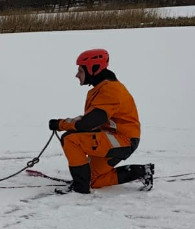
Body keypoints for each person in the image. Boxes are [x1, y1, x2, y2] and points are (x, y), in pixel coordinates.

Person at [48, 49, 154, 194]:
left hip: (122, 140)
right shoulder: (103, 88)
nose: (77, 75)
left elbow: (87, 123)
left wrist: (60, 124)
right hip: (114, 138)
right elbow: (90, 121)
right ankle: (141, 171)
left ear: (93, 69)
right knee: (94, 180)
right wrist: (63, 123)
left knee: (70, 139)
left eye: (80, 70)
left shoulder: (110, 90)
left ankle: (80, 188)